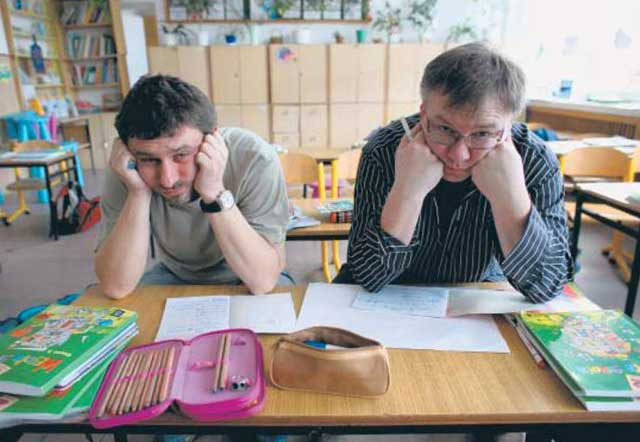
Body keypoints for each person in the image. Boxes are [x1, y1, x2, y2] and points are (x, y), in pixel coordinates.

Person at [337, 43, 572, 302]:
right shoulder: (384, 150)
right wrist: (408, 191)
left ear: (508, 125)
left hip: (480, 294)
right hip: (390, 296)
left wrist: (509, 197)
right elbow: (367, 276)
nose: (459, 155)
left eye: (482, 133)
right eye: (445, 129)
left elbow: (547, 287)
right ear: (423, 113)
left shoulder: (534, 158)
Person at [95, 75, 289, 299]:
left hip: (246, 276)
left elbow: (262, 280)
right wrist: (137, 194)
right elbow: (116, 286)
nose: (167, 179)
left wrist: (215, 193)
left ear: (212, 140)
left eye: (181, 155)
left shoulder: (254, 157)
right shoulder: (126, 167)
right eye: (149, 159)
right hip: (173, 275)